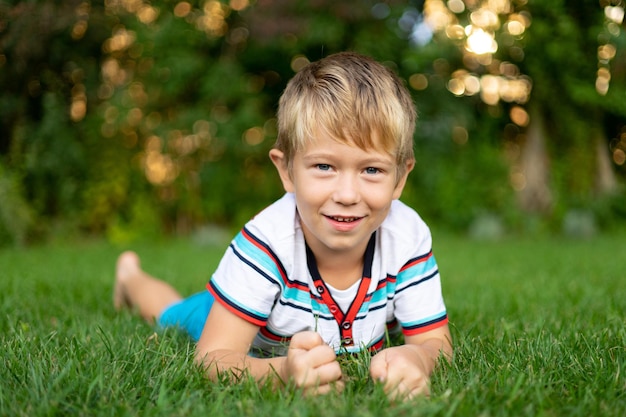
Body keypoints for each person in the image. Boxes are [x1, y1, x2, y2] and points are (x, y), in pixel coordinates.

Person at [114, 51, 452, 400]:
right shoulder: (267, 243)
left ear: (400, 179)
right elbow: (213, 359)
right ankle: (130, 278)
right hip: (246, 313)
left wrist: (416, 358)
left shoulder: (407, 236)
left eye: (372, 170)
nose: (348, 194)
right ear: (287, 171)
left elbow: (434, 343)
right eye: (324, 166)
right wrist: (283, 372)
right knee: (171, 315)